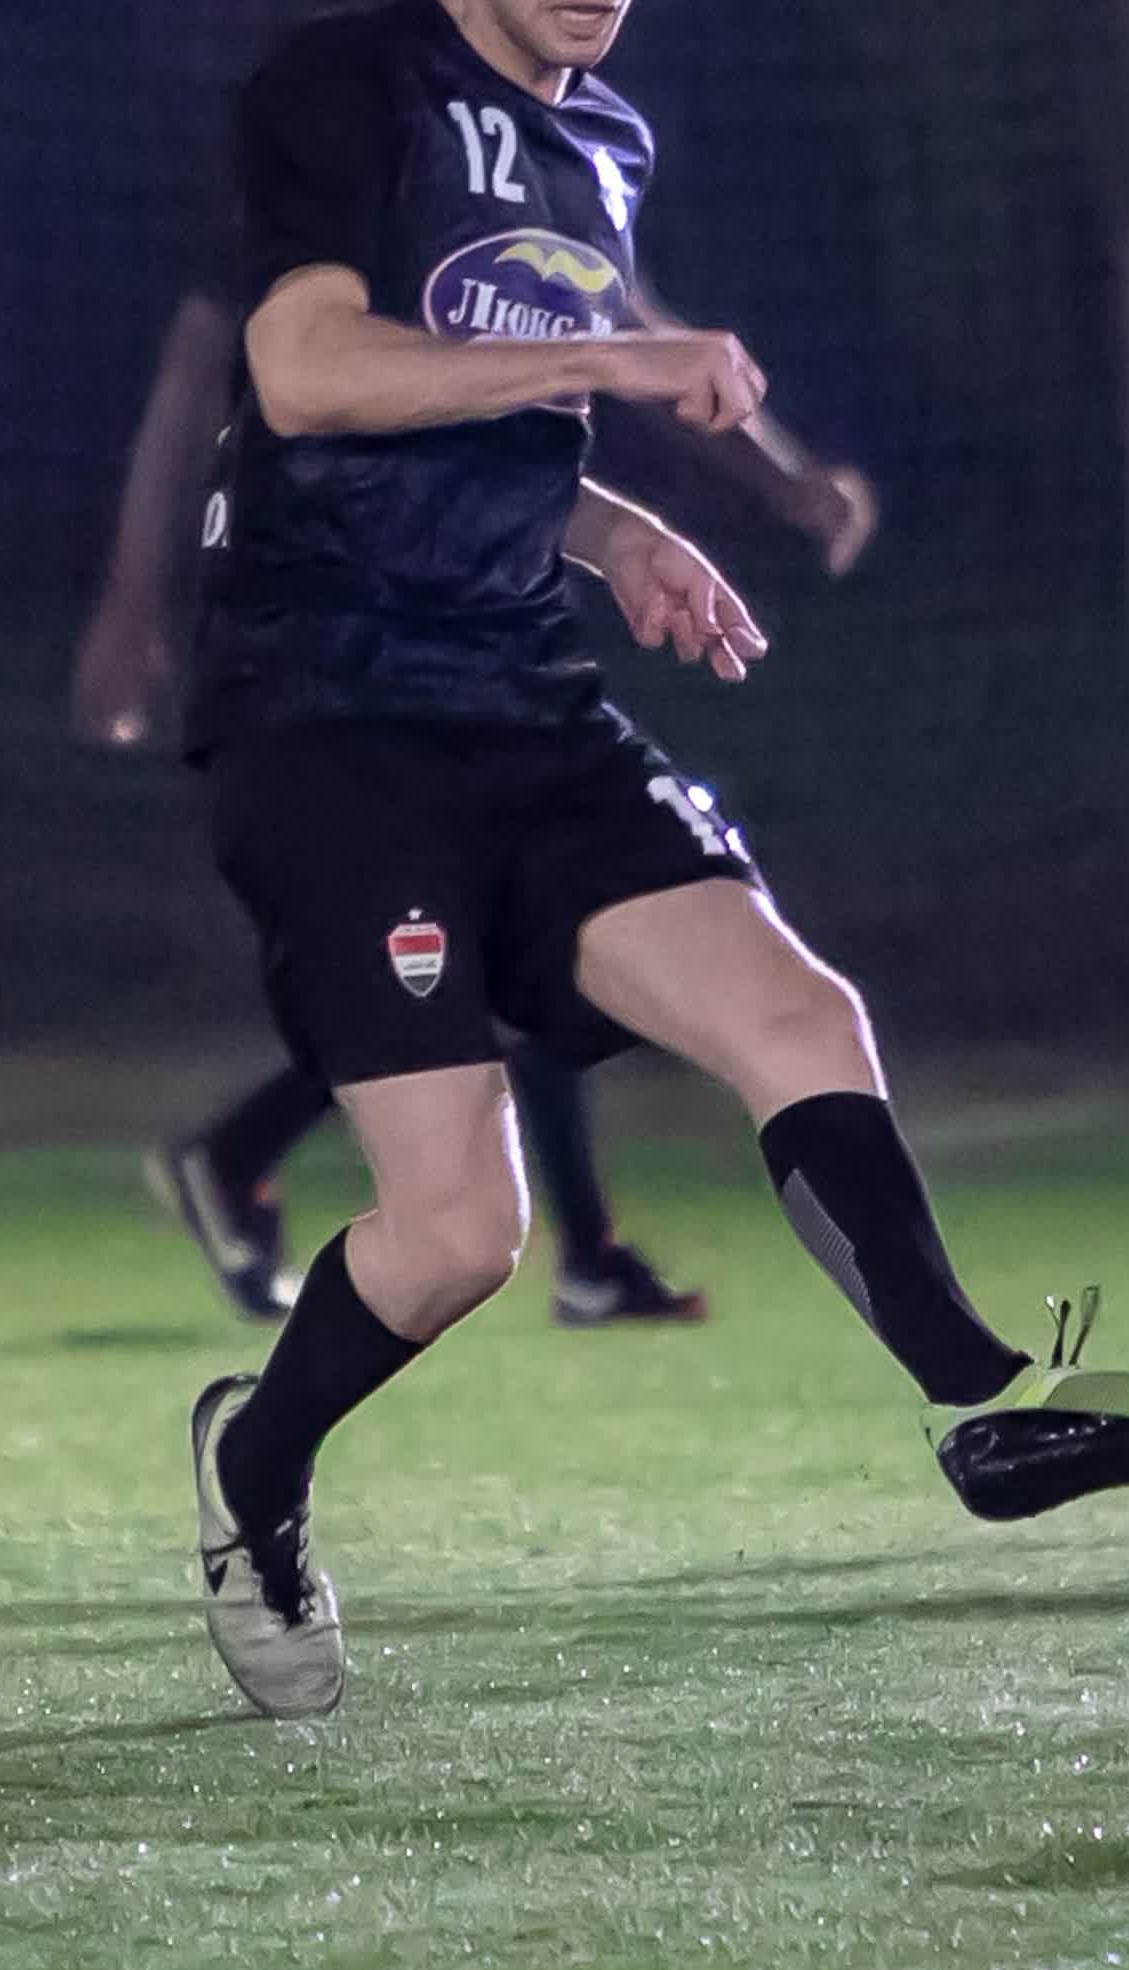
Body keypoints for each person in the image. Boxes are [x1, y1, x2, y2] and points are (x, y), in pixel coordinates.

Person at [179, 0, 1129, 1720]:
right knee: (451, 1237)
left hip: (520, 697)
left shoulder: (600, 139)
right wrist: (606, 373)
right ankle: (252, 1471)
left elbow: (480, 415)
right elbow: (313, 377)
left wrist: (611, 536)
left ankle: (985, 1408)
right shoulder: (342, 90)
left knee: (797, 1012)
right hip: (326, 719)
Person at [81, 274, 885, 1330]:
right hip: (338, 661)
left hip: (484, 620)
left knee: (502, 958)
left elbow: (621, 312)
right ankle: (303, 1206)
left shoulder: (527, 156)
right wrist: (133, 603)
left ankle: (260, 1161)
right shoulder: (327, 153)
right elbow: (199, 369)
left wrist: (776, 479)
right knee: (486, 962)